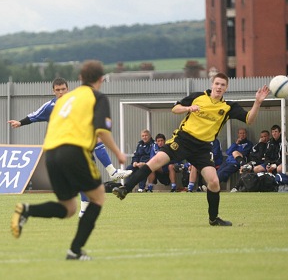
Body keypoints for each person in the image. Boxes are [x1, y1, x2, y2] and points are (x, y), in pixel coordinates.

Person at [112, 72, 270, 226]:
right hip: (183, 140)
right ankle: (125, 188)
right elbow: (175, 108)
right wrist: (188, 109)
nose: (219, 87)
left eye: (222, 85)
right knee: (156, 161)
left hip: (202, 148)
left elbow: (249, 120)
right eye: (217, 84)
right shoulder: (198, 96)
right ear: (212, 85)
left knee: (214, 182)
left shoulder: (228, 107)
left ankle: (213, 219)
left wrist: (258, 102)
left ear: (226, 88)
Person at [11, 60, 126, 260]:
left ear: (80, 79)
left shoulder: (63, 100)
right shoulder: (97, 97)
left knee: (68, 208)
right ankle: (75, 250)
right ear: (101, 79)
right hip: (73, 151)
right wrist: (118, 153)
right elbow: (101, 130)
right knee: (98, 197)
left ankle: (26, 210)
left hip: (50, 153)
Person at [8, 77, 131, 217]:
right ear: (53, 91)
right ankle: (111, 174)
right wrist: (20, 122)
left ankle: (85, 207)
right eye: (58, 90)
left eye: (63, 89)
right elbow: (34, 116)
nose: (61, 92)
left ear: (68, 89)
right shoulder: (50, 106)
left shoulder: (77, 103)